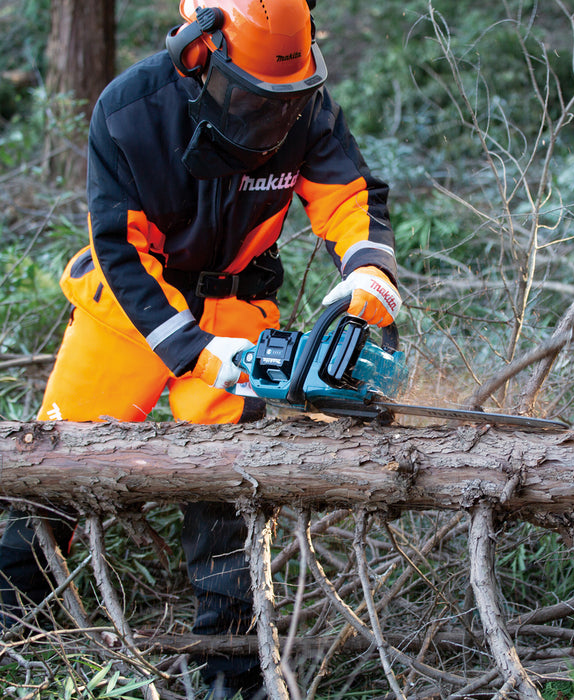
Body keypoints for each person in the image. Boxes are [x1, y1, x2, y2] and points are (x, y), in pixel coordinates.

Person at [0, 0, 401, 697]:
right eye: (251, 94)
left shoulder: (303, 107)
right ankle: (14, 618)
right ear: (197, 51)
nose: (269, 114)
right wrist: (189, 350)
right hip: (133, 307)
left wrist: (369, 269)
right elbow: (120, 250)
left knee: (228, 477)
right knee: (56, 462)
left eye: (285, 97)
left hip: (236, 300)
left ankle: (232, 666)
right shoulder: (130, 110)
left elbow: (349, 192)